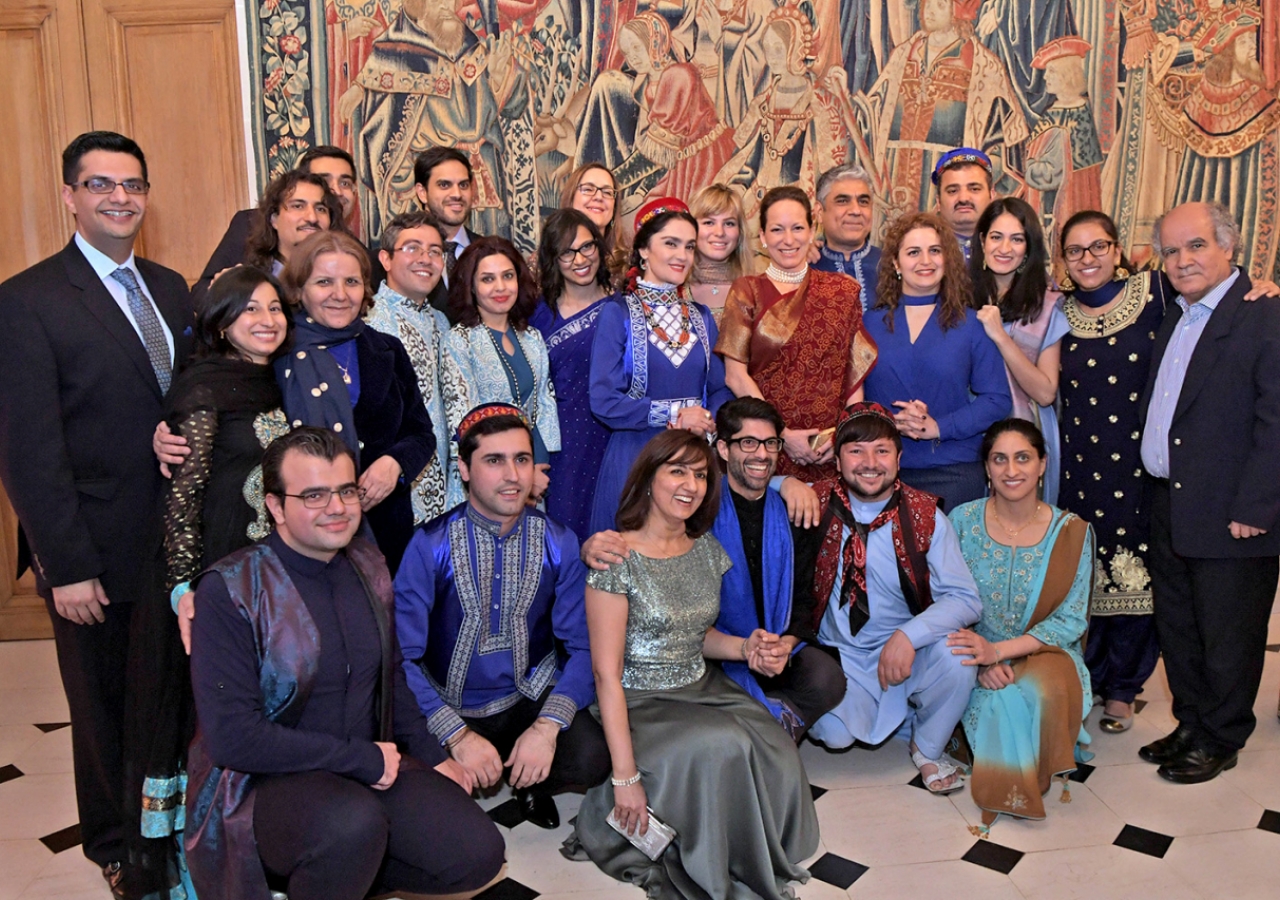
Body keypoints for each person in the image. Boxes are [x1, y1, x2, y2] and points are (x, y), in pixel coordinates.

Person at [184, 427, 505, 900]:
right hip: (260, 784)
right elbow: (234, 739)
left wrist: (438, 757)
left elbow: (392, 678)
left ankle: (337, 879)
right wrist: (362, 758)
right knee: (351, 825)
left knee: (476, 852)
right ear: (275, 506)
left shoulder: (367, 563)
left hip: (361, 770)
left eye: (346, 490)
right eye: (313, 495)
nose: (336, 508)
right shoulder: (230, 589)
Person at [0, 131, 193, 895]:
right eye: (102, 184)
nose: (121, 197)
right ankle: (117, 848)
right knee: (105, 708)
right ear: (71, 196)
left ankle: (171, 827)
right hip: (94, 551)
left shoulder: (173, 287)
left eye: (133, 184)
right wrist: (65, 565)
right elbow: (27, 451)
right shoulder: (27, 301)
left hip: (172, 544)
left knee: (171, 697)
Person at [566, 430, 819, 900]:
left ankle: (746, 851)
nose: (691, 484)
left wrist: (746, 648)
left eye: (701, 474)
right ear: (647, 479)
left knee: (772, 742)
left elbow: (698, 635)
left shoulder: (705, 549)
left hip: (700, 685)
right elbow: (605, 673)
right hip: (639, 697)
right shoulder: (615, 557)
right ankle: (625, 820)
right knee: (720, 745)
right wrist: (625, 778)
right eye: (677, 471)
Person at [130, 268, 292, 895]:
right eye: (250, 309)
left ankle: (258, 847)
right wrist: (184, 589)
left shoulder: (271, 383)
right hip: (214, 585)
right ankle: (198, 872)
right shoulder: (203, 389)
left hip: (267, 583)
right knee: (208, 725)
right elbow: (184, 497)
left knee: (258, 713)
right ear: (221, 321)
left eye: (275, 307)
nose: (266, 319)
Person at [395, 405, 610, 830]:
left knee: (591, 757)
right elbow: (399, 658)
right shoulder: (428, 545)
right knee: (425, 811)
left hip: (525, 702)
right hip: (446, 707)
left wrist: (547, 728)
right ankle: (472, 770)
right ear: (464, 469)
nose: (512, 475)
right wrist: (455, 736)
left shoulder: (559, 542)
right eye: (494, 460)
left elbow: (583, 647)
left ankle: (530, 778)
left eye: (522, 459)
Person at [581, 397, 843, 737]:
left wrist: (782, 645)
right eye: (748, 442)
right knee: (728, 720)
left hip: (773, 643)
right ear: (723, 448)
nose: (761, 454)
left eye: (770, 444)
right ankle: (768, 725)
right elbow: (648, 540)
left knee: (827, 678)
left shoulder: (794, 512)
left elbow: (805, 604)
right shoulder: (697, 513)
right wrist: (591, 546)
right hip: (713, 653)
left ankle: (770, 722)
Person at [1137, 201, 1280, 783]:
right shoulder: (1179, 314)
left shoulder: (1264, 314)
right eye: (1170, 251)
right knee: (1180, 625)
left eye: (1195, 246)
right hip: (1170, 500)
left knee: (1229, 631)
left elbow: (1277, 421)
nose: (1181, 260)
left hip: (1232, 511)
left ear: (1230, 247)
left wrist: (1257, 507)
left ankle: (1222, 735)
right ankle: (1192, 722)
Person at [794, 403, 982, 794]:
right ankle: (886, 714)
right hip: (837, 654)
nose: (869, 463)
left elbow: (966, 599)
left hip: (901, 651)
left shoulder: (925, 515)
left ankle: (927, 746)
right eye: (856, 451)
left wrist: (909, 636)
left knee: (958, 653)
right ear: (837, 459)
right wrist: (783, 483)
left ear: (899, 457)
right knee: (834, 736)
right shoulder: (813, 503)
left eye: (881, 450)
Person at [948, 419, 1094, 831]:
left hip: (1043, 651)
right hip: (971, 650)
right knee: (999, 701)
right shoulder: (961, 521)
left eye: (1023, 458)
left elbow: (1070, 619)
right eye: (1000, 459)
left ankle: (1025, 768)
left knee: (1039, 690)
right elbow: (943, 600)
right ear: (987, 469)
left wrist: (1000, 652)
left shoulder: (1071, 532)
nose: (1012, 470)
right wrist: (981, 659)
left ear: (1043, 464)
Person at [1057, 211, 1167, 734]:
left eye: (1097, 246)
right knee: (1084, 576)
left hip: (1140, 467)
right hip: (1078, 467)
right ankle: (1089, 677)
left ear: (1117, 248)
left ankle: (1123, 688)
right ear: (1063, 261)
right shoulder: (1058, 313)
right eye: (1075, 251)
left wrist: (1258, 283)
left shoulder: (1156, 294)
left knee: (1136, 578)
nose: (1087, 259)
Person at [279, 230, 437, 573]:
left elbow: (422, 435)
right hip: (303, 538)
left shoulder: (388, 349)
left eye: (351, 281)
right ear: (299, 288)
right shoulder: (280, 353)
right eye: (324, 281)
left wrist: (394, 464)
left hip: (385, 533)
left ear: (365, 288)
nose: (339, 295)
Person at [588, 197, 733, 534]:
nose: (682, 255)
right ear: (643, 249)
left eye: (689, 246)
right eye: (670, 243)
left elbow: (720, 388)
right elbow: (604, 401)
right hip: (637, 458)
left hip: (694, 461)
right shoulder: (617, 314)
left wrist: (707, 420)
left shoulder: (702, 317)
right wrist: (674, 415)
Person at [718, 186, 878, 482]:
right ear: (763, 237)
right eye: (777, 230)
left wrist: (844, 436)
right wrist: (780, 433)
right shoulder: (746, 291)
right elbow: (735, 376)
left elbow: (853, 378)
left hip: (829, 450)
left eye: (797, 228)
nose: (788, 240)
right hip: (765, 449)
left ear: (812, 230)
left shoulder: (842, 291)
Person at [862, 212, 1011, 511]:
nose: (925, 261)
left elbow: (997, 400)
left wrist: (940, 427)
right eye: (913, 252)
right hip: (881, 473)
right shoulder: (869, 324)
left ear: (948, 259)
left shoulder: (971, 324)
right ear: (895, 263)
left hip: (955, 471)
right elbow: (851, 396)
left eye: (935, 250)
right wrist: (888, 422)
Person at [440, 236, 559, 508]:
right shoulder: (459, 341)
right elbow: (463, 422)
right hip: (484, 481)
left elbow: (543, 408)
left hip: (531, 476)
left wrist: (537, 469)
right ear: (470, 286)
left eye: (508, 276)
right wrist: (514, 474)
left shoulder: (532, 338)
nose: (500, 287)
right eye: (487, 279)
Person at [970, 197, 1069, 504]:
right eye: (997, 237)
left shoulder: (1048, 302)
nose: (1005, 248)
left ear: (1028, 248)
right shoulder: (958, 294)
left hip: (1024, 429)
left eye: (1016, 239)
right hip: (968, 431)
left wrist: (1001, 336)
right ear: (983, 240)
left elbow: (1045, 392)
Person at [192, 148, 386, 305]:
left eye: (344, 182)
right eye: (298, 205)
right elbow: (203, 292)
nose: (335, 190)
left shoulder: (357, 256)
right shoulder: (249, 225)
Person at [530, 210, 616, 541]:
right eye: (567, 251)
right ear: (553, 258)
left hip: (614, 439)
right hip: (562, 444)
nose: (580, 259)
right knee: (567, 537)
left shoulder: (623, 310)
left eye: (587, 247)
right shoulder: (538, 316)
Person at [366, 211, 451, 525]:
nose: (425, 259)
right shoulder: (370, 323)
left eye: (434, 251)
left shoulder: (441, 322)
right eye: (412, 248)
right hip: (395, 490)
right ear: (386, 259)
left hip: (447, 489)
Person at [414, 147, 482, 308]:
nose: (457, 194)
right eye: (445, 185)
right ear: (422, 192)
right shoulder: (401, 257)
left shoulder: (489, 252)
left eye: (463, 185)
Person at [811, 163, 881, 311]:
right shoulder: (805, 270)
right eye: (842, 201)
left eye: (863, 201)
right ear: (819, 212)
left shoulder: (891, 266)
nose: (856, 210)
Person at [688, 183, 752, 322]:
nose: (719, 232)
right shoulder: (673, 289)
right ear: (691, 228)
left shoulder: (755, 292)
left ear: (740, 233)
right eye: (709, 222)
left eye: (729, 223)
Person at [559, 162, 628, 282]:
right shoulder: (545, 259)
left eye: (607, 192)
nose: (599, 197)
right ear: (570, 198)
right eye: (588, 189)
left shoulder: (628, 261)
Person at [934, 149, 996, 262]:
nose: (963, 198)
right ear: (938, 202)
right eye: (953, 191)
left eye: (974, 189)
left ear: (991, 196)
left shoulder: (1011, 250)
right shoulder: (923, 252)